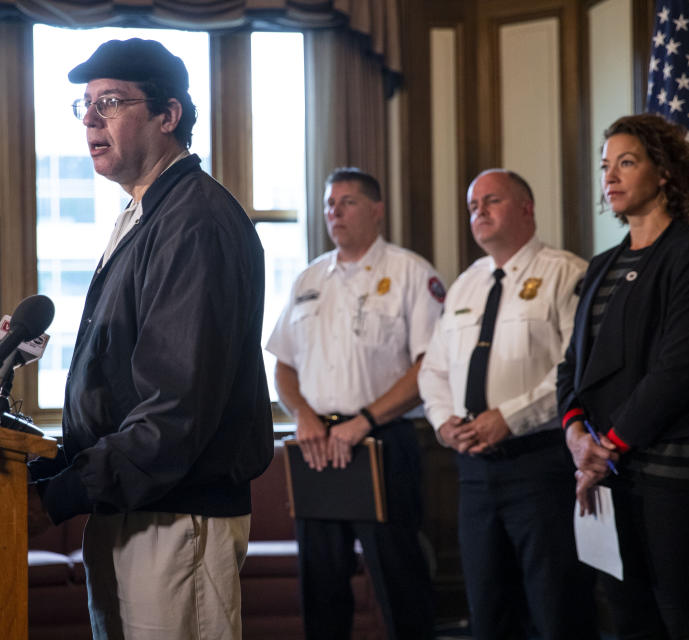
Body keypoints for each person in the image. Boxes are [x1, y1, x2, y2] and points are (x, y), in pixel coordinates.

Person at [26, 38, 274, 640]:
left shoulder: (195, 223)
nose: (90, 118)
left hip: (177, 517)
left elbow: (176, 409)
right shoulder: (147, 213)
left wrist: (59, 498)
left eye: (110, 101)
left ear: (170, 115)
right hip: (131, 505)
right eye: (84, 105)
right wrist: (60, 468)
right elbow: (121, 385)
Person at [557, 113, 689, 639]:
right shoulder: (600, 265)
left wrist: (604, 447)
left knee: (687, 624)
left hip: (675, 472)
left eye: (626, 163)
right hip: (609, 476)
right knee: (630, 622)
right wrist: (574, 436)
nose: (609, 176)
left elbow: (676, 371)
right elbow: (573, 368)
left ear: (664, 174)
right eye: (606, 166)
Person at [418, 169, 597, 639]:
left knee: (557, 607)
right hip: (474, 474)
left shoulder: (567, 272)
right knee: (487, 609)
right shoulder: (464, 284)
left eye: (491, 201)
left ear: (526, 207)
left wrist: (512, 418)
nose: (479, 212)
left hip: (539, 467)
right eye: (473, 206)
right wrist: (443, 423)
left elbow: (575, 370)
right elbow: (433, 370)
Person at [266, 167, 441, 640]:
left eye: (347, 202)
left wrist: (363, 421)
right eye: (329, 203)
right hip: (317, 443)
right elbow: (283, 365)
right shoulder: (309, 278)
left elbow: (430, 367)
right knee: (321, 589)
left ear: (377, 210)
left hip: (381, 440)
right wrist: (301, 414)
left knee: (399, 582)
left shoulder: (410, 272)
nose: (334, 212)